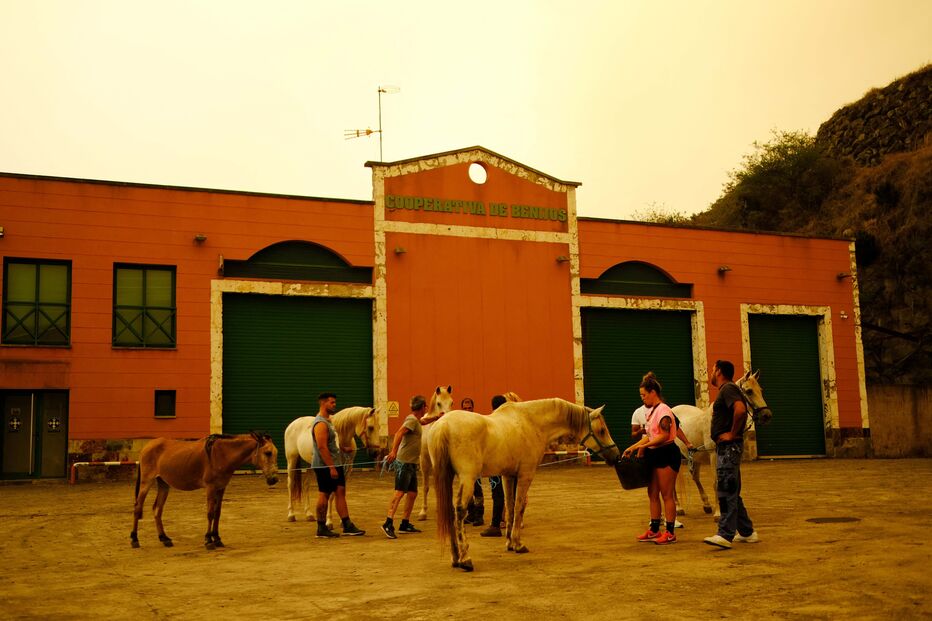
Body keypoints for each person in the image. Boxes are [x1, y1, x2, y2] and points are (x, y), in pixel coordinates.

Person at [703, 360, 759, 549]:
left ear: (719, 371)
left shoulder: (728, 388)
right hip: (728, 448)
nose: (711, 373)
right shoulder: (729, 390)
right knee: (732, 490)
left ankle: (725, 534)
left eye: (712, 369)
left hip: (728, 448)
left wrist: (732, 434)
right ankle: (747, 532)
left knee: (725, 489)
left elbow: (740, 410)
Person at [622, 372, 681, 545]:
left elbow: (663, 435)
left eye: (644, 395)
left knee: (667, 494)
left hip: (666, 453)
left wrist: (642, 447)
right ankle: (654, 529)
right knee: (652, 493)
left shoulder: (663, 410)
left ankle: (670, 533)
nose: (642, 398)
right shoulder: (653, 411)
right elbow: (650, 435)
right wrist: (633, 447)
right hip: (654, 454)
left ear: (653, 392)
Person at [381, 395, 436, 539]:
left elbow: (424, 421)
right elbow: (399, 433)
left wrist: (437, 417)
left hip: (411, 463)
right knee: (399, 493)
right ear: (422, 407)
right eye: (425, 406)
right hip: (404, 463)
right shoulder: (411, 420)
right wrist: (393, 451)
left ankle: (404, 524)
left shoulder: (416, 420)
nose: (426, 409)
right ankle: (388, 523)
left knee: (412, 494)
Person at [311, 392, 365, 538]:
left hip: (335, 463)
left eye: (335, 402)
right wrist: (331, 467)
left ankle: (347, 525)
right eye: (332, 402)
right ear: (323, 403)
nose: (335, 405)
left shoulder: (329, 421)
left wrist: (342, 449)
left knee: (340, 491)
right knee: (324, 493)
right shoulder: (320, 424)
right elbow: (322, 447)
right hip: (324, 466)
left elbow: (331, 442)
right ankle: (321, 527)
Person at [479, 394, 508, 537]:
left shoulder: (491, 422)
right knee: (510, 494)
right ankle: (510, 521)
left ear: (492, 406)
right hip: (511, 463)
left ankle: (495, 524)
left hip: (496, 464)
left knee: (497, 494)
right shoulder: (510, 421)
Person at [459, 398, 487, 527]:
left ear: (473, 408)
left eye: (469, 408)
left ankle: (479, 515)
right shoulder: (459, 424)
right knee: (466, 489)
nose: (467, 410)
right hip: (463, 463)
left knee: (477, 489)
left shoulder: (477, 422)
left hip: (475, 461)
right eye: (465, 408)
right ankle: (471, 513)